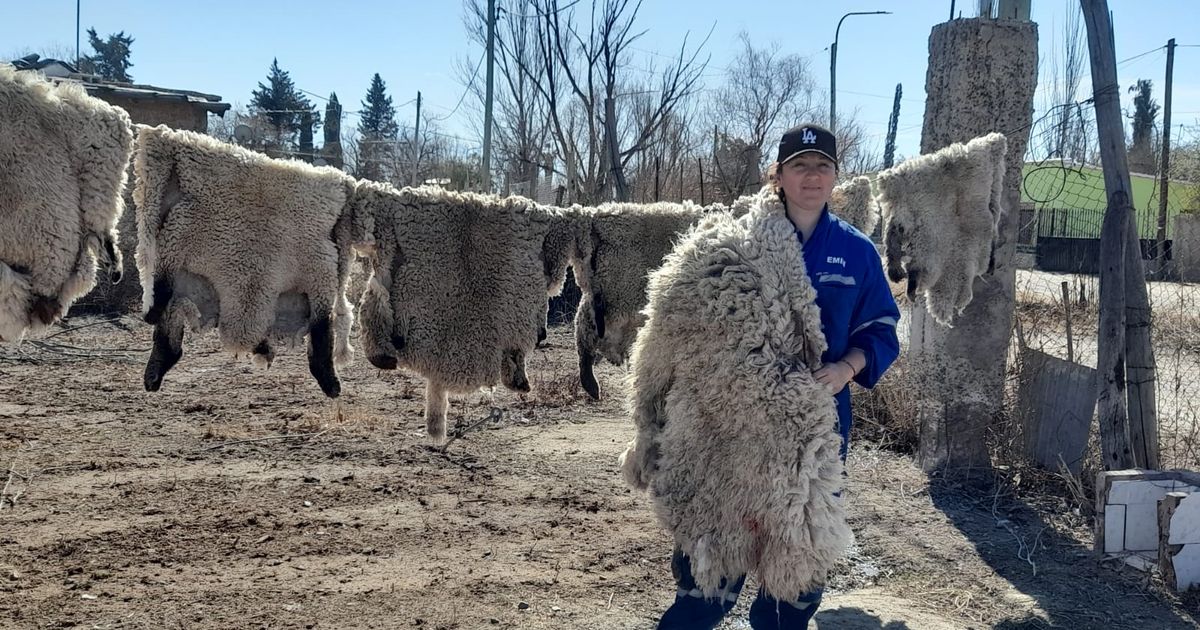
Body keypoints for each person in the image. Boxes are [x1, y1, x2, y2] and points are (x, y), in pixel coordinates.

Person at [657, 124, 901, 629]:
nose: (812, 176)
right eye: (800, 165)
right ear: (779, 175)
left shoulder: (856, 252)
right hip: (728, 430)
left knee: (796, 572)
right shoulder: (732, 245)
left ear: (836, 176)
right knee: (710, 573)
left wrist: (844, 368)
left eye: (822, 166)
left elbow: (880, 331)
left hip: (815, 430)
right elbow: (682, 327)